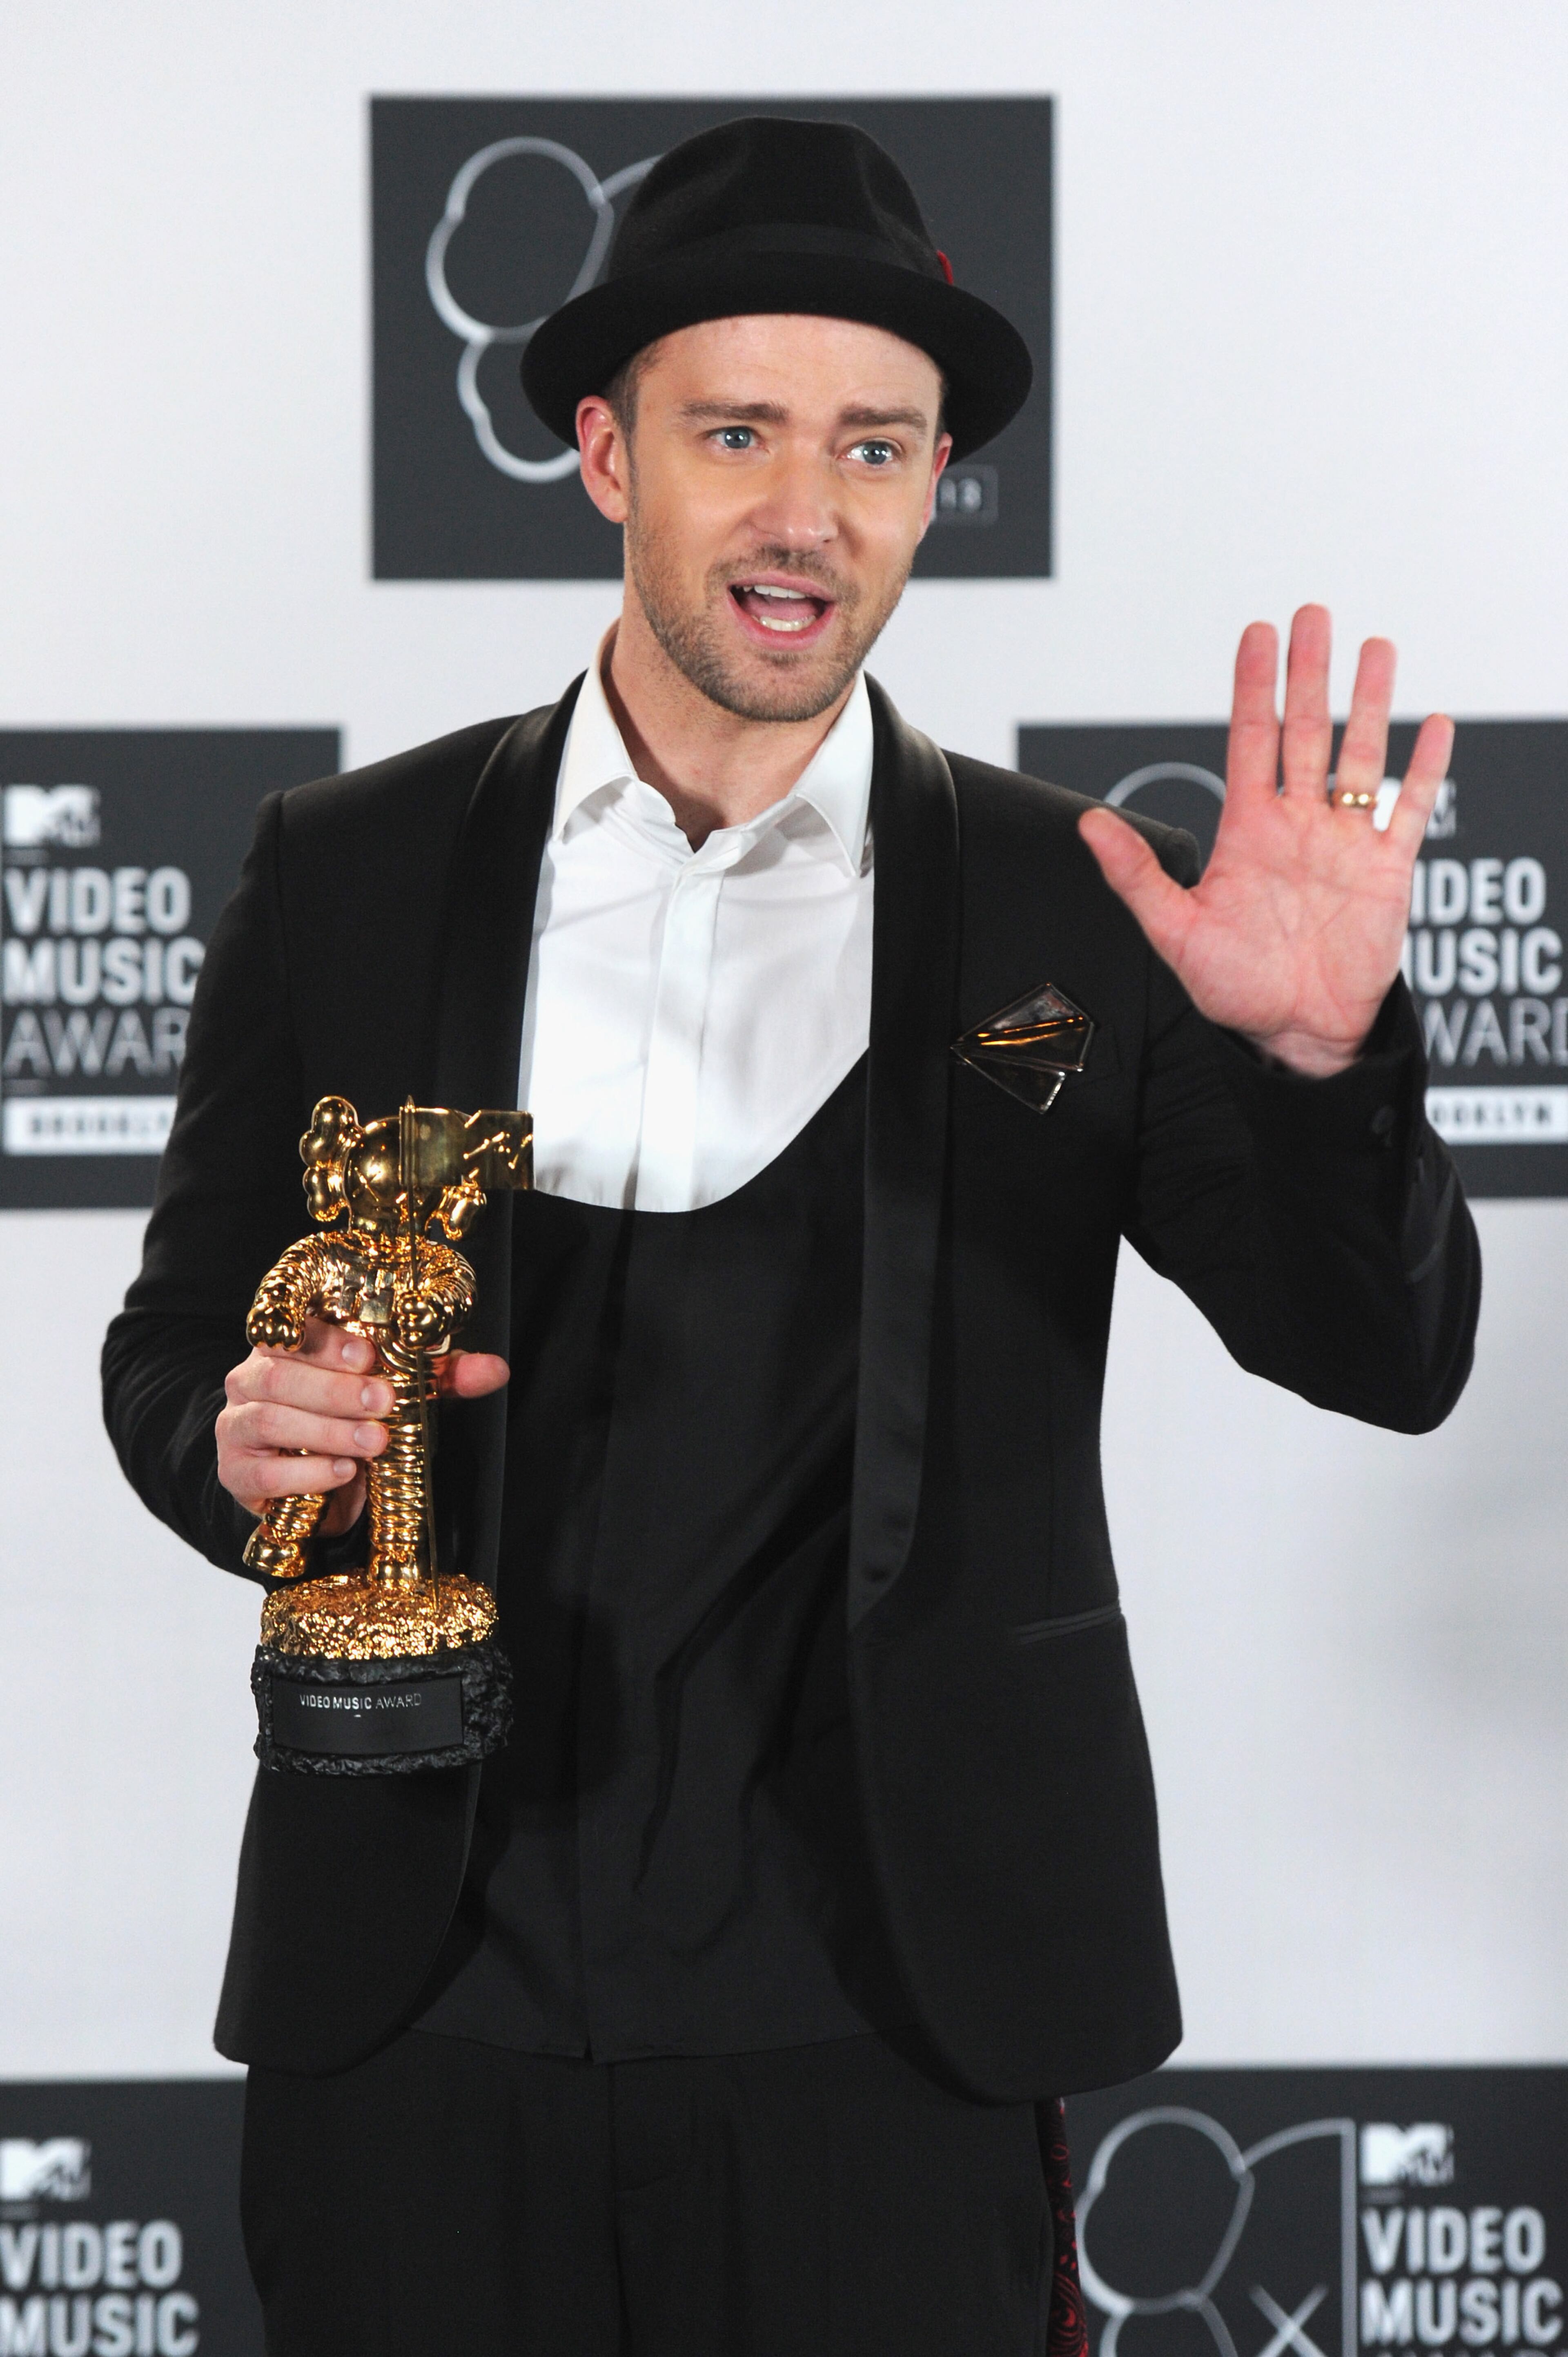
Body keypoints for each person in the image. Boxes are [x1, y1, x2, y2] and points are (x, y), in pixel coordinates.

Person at [102, 114, 1481, 2357]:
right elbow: (171, 1352)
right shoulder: (342, 870)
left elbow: (1383, 1351)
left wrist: (1323, 1069)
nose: (804, 514)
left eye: (874, 446)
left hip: (890, 2027)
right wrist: (235, 1441)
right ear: (599, 454)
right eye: (735, 431)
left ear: (937, 484)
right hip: (420, 2017)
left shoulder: (1074, 903)